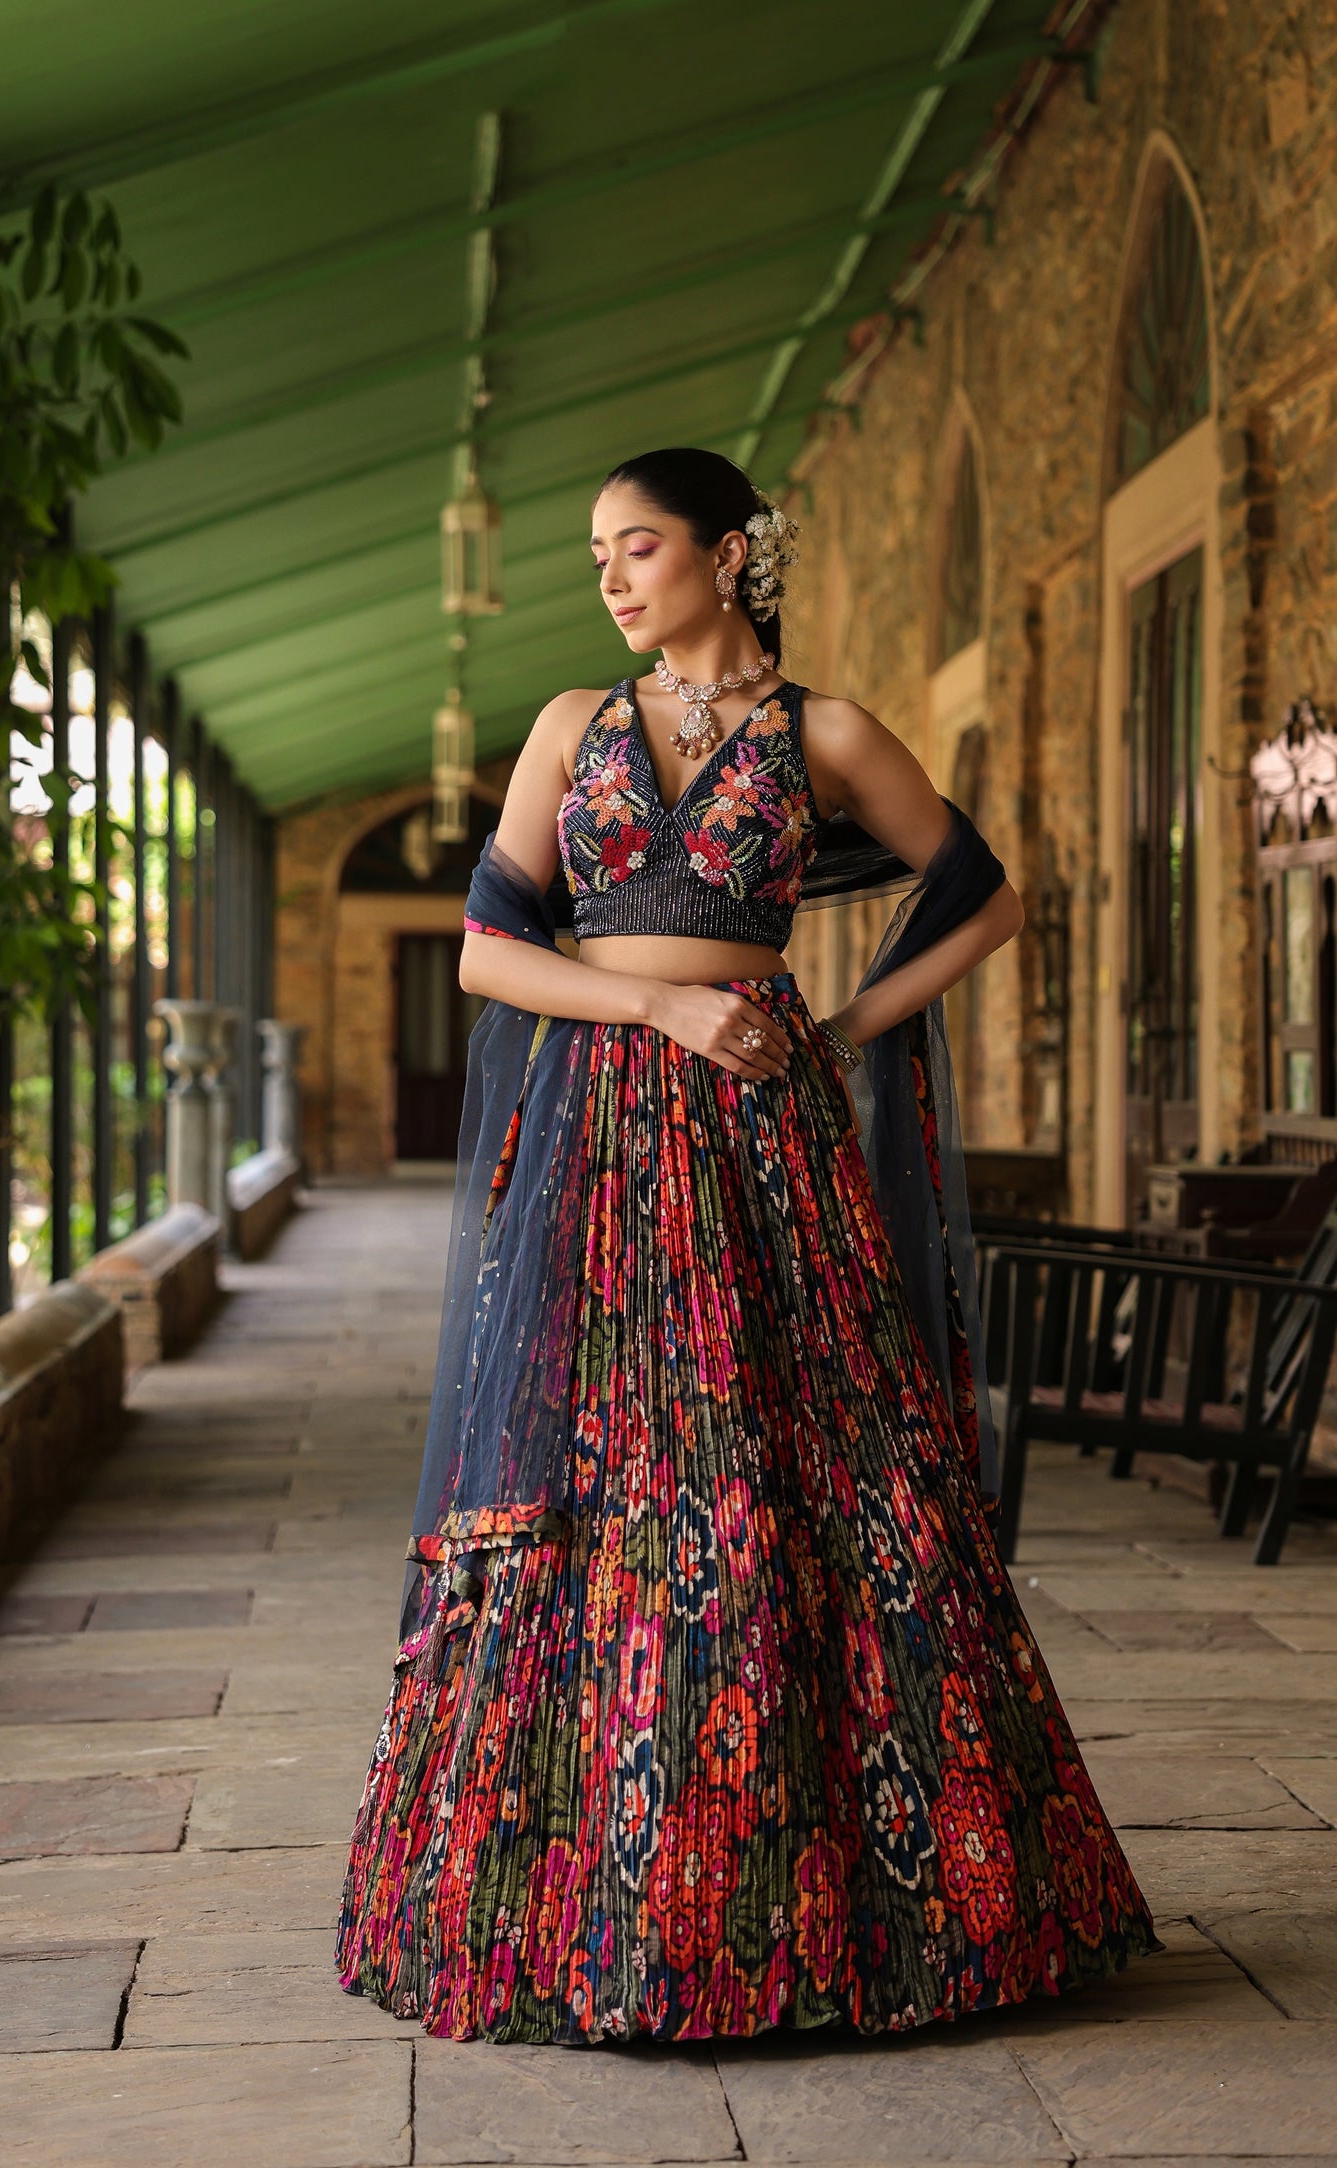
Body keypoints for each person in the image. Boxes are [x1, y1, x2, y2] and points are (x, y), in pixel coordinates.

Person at [335, 445, 1159, 2043]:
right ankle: (586, 1906)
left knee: (817, 1457)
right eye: (596, 555)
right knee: (606, 1469)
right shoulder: (568, 730)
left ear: (729, 553)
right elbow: (489, 955)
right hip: (600, 1128)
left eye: (635, 545)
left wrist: (842, 1026)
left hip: (766, 1136)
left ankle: (857, 1908)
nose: (610, 577)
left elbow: (982, 897)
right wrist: (656, 1001)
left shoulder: (824, 733)